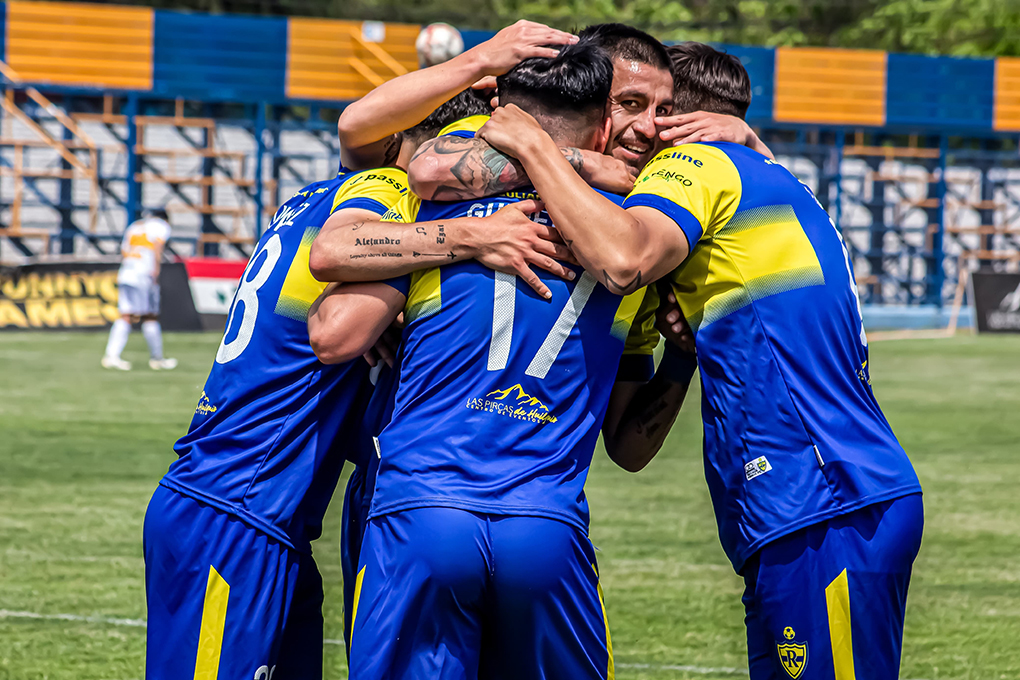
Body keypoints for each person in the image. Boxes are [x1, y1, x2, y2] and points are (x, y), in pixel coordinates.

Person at [473, 41, 924, 680]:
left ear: (679, 125)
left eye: (651, 109)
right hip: (795, 507)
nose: (634, 128)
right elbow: (628, 447)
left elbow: (623, 260)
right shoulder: (755, 177)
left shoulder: (693, 165)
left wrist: (537, 145)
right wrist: (682, 358)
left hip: (822, 497)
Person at [310, 40, 661, 680]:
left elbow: (333, 321)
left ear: (495, 111)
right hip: (546, 522)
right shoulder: (635, 230)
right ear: (606, 123)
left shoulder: (431, 210)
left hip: (423, 508)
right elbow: (632, 437)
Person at [102, 208, 177, 371]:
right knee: (150, 315)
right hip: (144, 274)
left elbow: (124, 250)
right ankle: (157, 358)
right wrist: (155, 272)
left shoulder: (135, 226)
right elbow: (157, 246)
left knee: (126, 314)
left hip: (127, 272)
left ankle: (111, 355)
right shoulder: (161, 225)